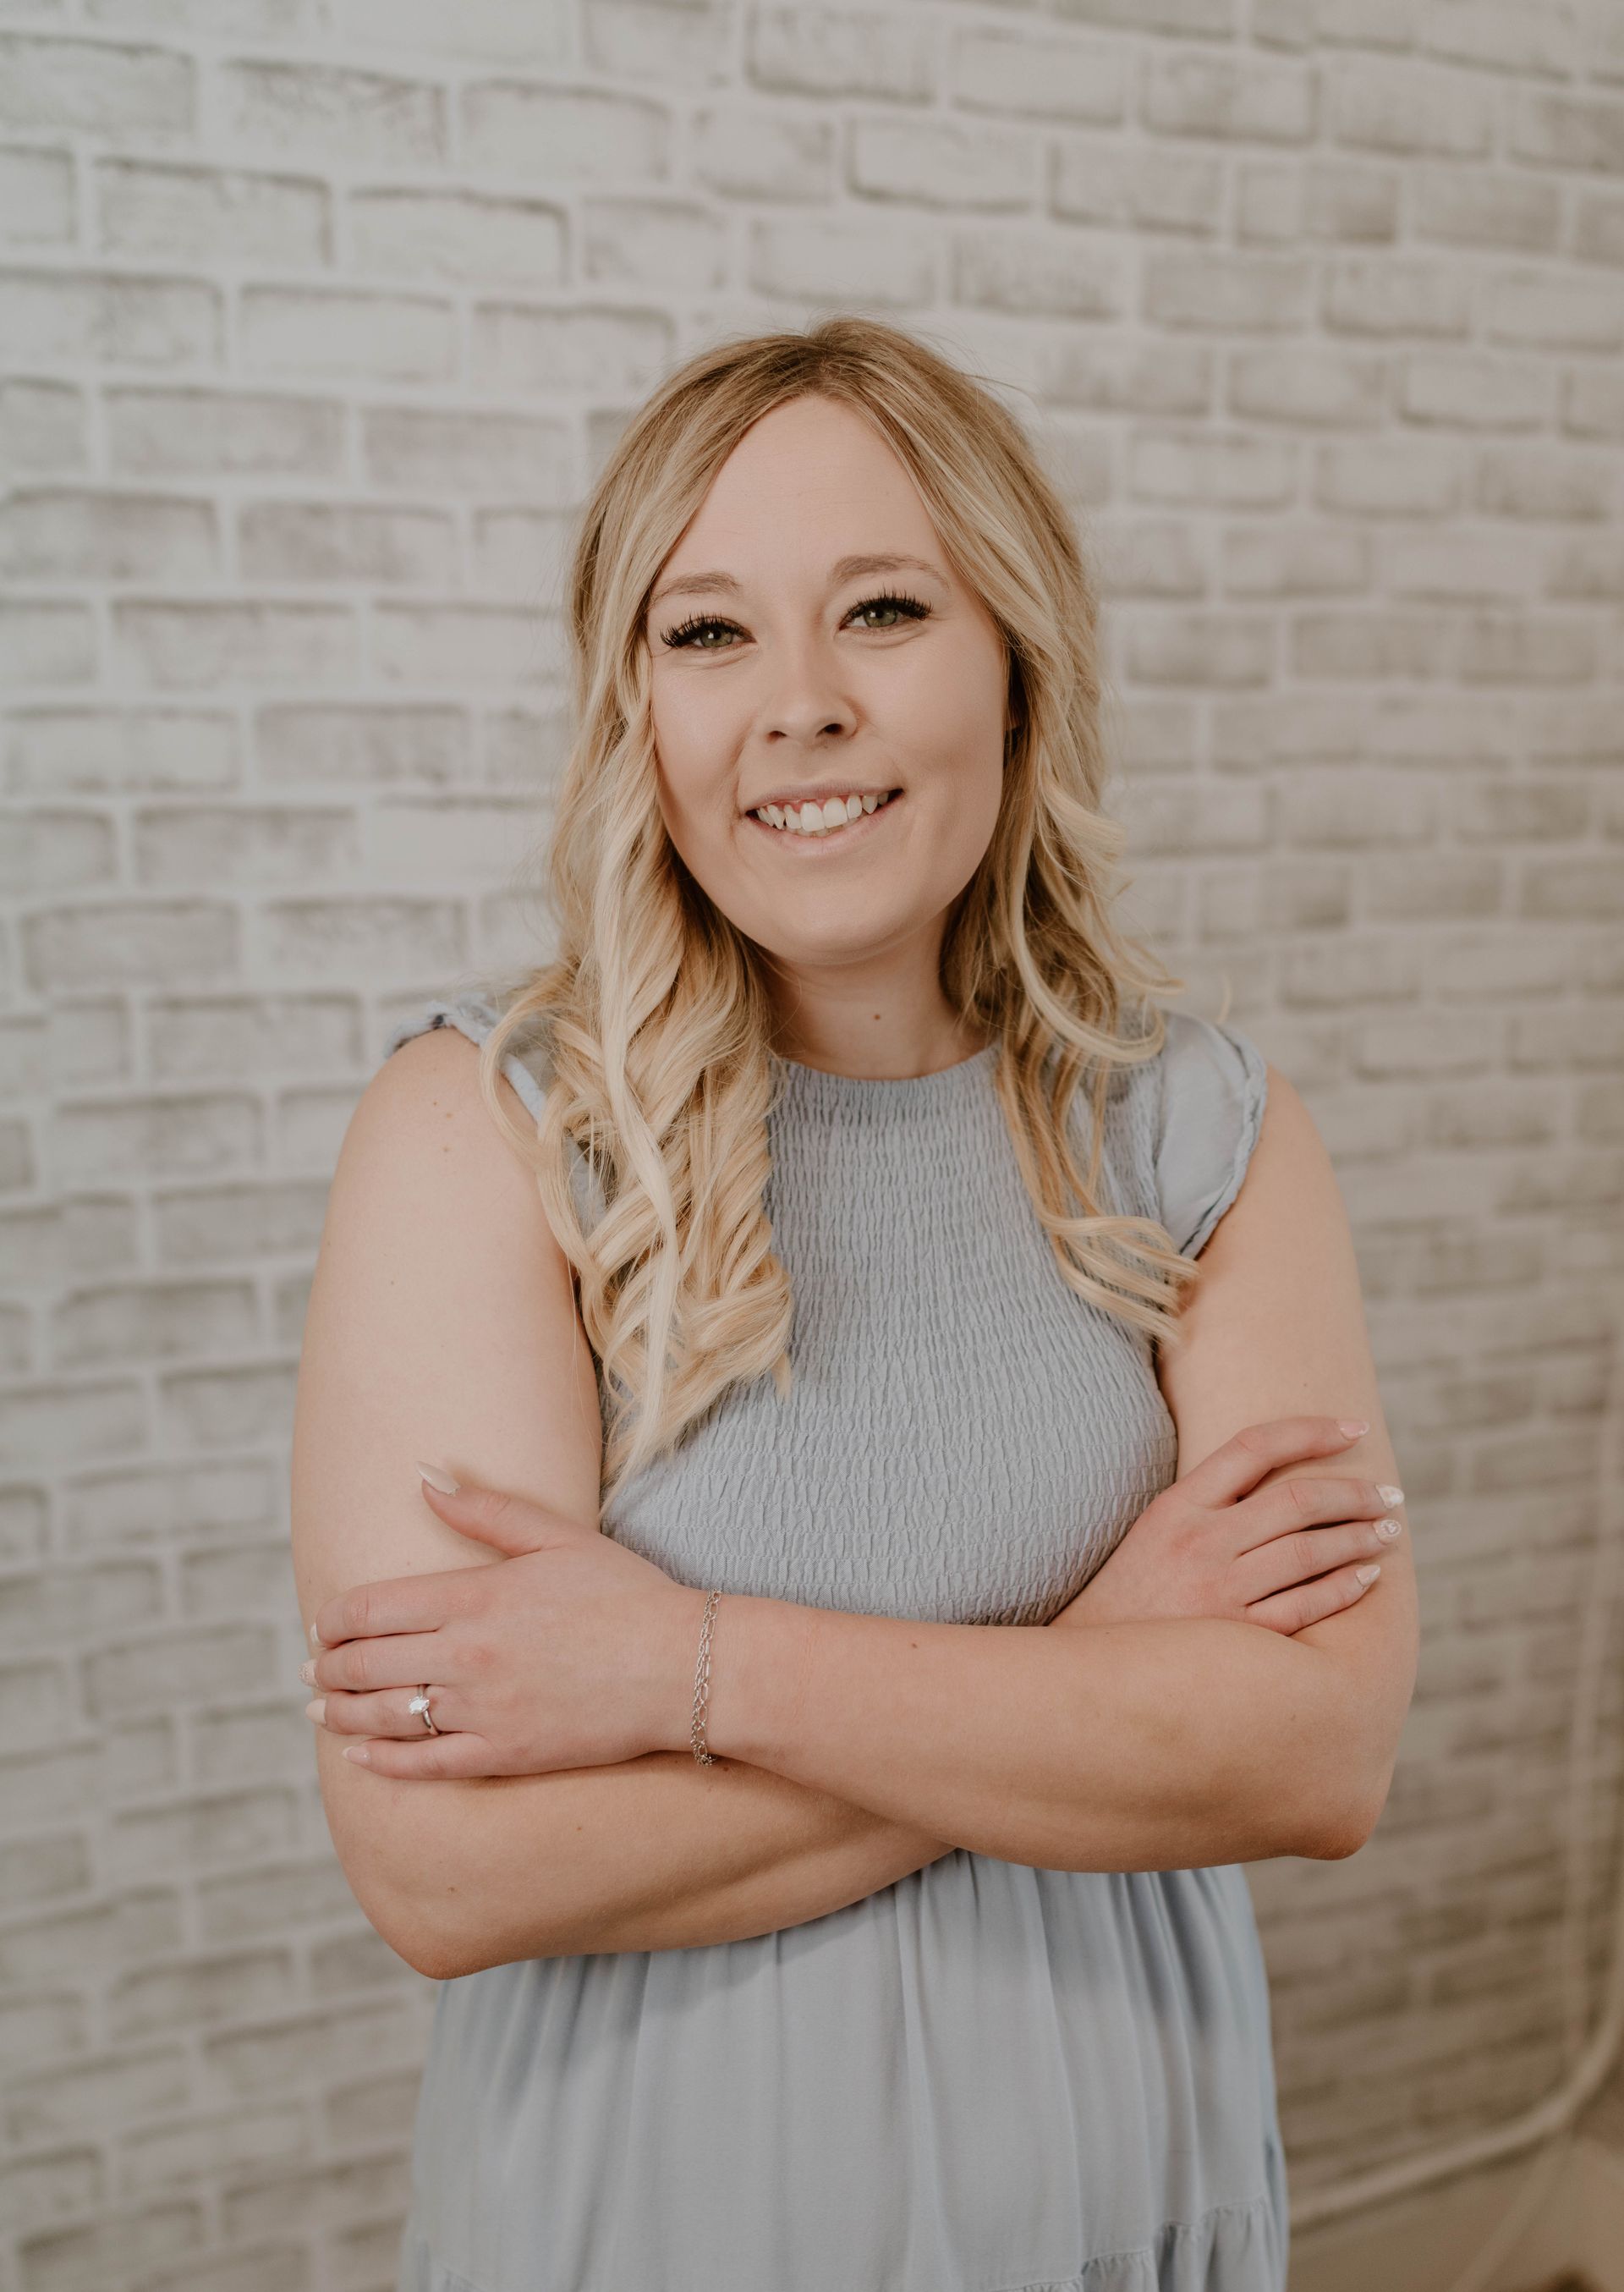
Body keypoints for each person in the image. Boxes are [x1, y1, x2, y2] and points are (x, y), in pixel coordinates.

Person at [290, 316, 1417, 2292]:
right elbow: (446, 1869)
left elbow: (1313, 1756)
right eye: (706, 633)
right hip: (657, 2228)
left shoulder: (1199, 1128)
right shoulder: (489, 1136)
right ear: (633, 705)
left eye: (881, 608)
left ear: (1012, 657)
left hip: (1133, 2212)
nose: (795, 708)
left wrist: (690, 1671)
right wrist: (1096, 1662)